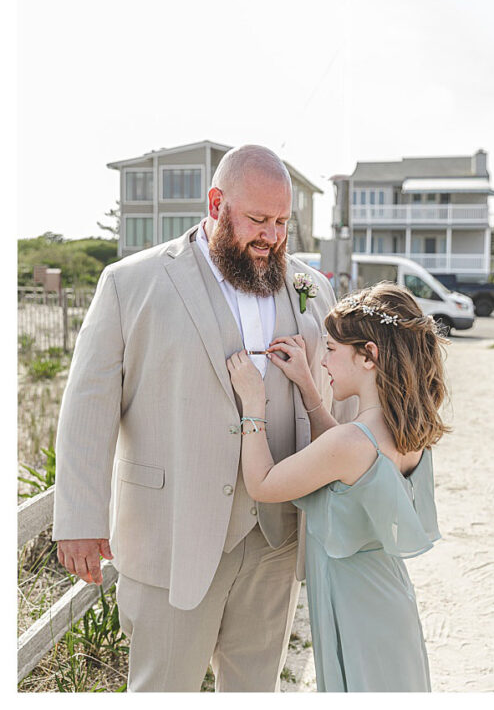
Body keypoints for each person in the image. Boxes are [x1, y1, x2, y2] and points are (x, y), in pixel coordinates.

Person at [53, 144, 344, 691]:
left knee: (256, 692)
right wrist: (79, 520)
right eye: (257, 219)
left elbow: (337, 388)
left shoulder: (312, 287)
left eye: (282, 222)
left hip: (275, 540)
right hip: (170, 533)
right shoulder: (129, 283)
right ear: (216, 203)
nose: (272, 236)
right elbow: (87, 405)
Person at [226, 282, 446, 692]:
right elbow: (349, 457)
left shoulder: (351, 442)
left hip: (355, 609)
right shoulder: (405, 427)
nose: (323, 360)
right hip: (386, 596)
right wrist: (309, 387)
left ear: (369, 355)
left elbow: (262, 483)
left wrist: (253, 406)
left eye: (330, 349)